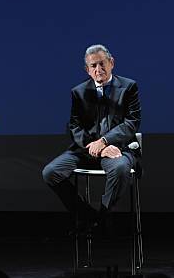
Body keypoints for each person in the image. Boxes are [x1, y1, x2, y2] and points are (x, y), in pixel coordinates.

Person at [42, 44, 141, 229]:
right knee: (51, 172)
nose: (98, 69)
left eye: (102, 64)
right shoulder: (78, 92)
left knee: (120, 170)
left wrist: (105, 142)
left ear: (111, 63)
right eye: (93, 66)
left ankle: (102, 215)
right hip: (87, 150)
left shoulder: (129, 87)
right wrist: (95, 146)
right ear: (87, 70)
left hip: (118, 149)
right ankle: (87, 215)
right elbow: (74, 126)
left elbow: (131, 123)